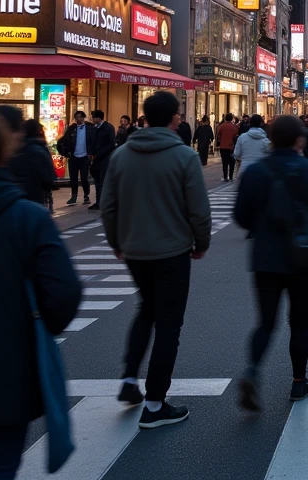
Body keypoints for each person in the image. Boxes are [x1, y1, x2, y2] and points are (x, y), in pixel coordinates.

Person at [0, 112, 82, 478]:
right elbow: (65, 291)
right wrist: (40, 324)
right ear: (4, 152)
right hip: (8, 361)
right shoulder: (26, 217)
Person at [100, 90, 211, 429]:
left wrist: (117, 241)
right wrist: (201, 242)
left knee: (146, 309)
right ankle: (155, 403)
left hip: (134, 249)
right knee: (168, 325)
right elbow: (199, 211)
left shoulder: (121, 155)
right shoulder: (183, 156)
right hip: (173, 250)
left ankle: (130, 379)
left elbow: (108, 206)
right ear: (175, 118)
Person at [234, 115, 308, 410]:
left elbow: (240, 216)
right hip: (303, 258)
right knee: (299, 321)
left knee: (266, 322)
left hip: (265, 257)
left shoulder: (255, 172)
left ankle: (252, 371)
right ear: (299, 140)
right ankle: (298, 382)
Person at [1, 106, 55, 207]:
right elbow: (49, 177)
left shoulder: (14, 149)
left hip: (16, 198)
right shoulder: (39, 149)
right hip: (34, 198)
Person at [58, 109, 95, 205]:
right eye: (77, 117)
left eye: (80, 117)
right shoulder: (72, 129)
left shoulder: (89, 128)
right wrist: (65, 153)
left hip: (84, 156)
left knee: (84, 178)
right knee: (73, 177)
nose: (78, 119)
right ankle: (74, 196)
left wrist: (91, 154)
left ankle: (86, 196)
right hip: (74, 156)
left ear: (83, 118)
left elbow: (92, 141)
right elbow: (63, 141)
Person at [88, 109, 116, 210]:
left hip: (105, 158)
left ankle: (104, 202)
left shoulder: (108, 128)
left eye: (93, 117)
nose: (92, 119)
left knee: (103, 181)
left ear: (98, 118)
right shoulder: (94, 128)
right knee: (97, 181)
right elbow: (92, 142)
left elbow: (111, 144)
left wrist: (99, 154)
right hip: (96, 159)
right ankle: (98, 202)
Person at [216, 113, 239, 182]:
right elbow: (236, 136)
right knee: (232, 162)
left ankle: (225, 176)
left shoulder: (221, 126)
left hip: (223, 146)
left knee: (224, 162)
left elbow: (218, 135)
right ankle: (231, 176)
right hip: (231, 147)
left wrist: (218, 143)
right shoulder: (234, 126)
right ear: (232, 118)